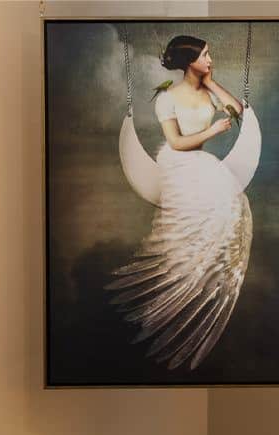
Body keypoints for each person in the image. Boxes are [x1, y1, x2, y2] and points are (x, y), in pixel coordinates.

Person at [105, 34, 254, 372]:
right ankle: (180, 280)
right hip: (180, 162)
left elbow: (240, 112)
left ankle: (200, 281)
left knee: (237, 220)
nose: (210, 59)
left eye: (210, 54)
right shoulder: (167, 99)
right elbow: (175, 142)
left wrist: (213, 84)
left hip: (201, 165)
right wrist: (214, 132)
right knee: (214, 225)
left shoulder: (207, 92)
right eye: (205, 55)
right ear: (190, 61)